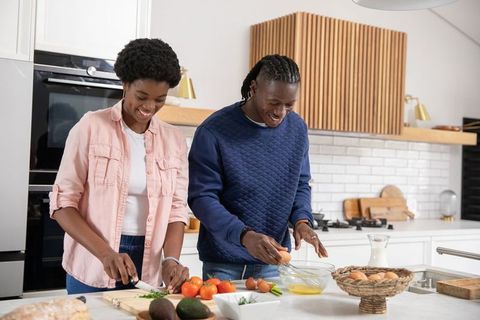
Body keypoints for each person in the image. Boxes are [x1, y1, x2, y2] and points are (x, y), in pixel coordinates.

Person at [49, 38, 190, 294]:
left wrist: (171, 259)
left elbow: (177, 210)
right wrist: (105, 253)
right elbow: (62, 204)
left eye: (160, 99)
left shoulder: (174, 140)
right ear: (125, 85)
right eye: (142, 96)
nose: (149, 107)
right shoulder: (90, 127)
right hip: (93, 259)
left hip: (149, 263)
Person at [188, 54, 328, 281]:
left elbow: (300, 183)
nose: (280, 112)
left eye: (289, 105)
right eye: (273, 103)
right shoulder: (213, 131)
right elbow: (202, 198)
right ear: (254, 88)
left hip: (273, 263)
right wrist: (245, 236)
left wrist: (302, 221)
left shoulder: (297, 129)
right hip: (223, 264)